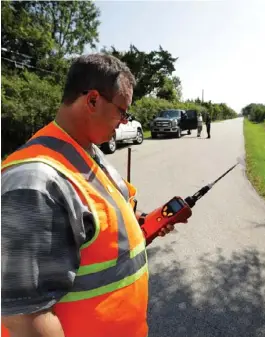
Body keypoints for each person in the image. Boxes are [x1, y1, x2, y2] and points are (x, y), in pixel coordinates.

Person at [1, 53, 175, 337]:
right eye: (122, 110)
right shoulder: (33, 182)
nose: (124, 121)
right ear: (92, 100)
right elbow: (24, 317)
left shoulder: (89, 151)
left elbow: (102, 220)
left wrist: (141, 224)